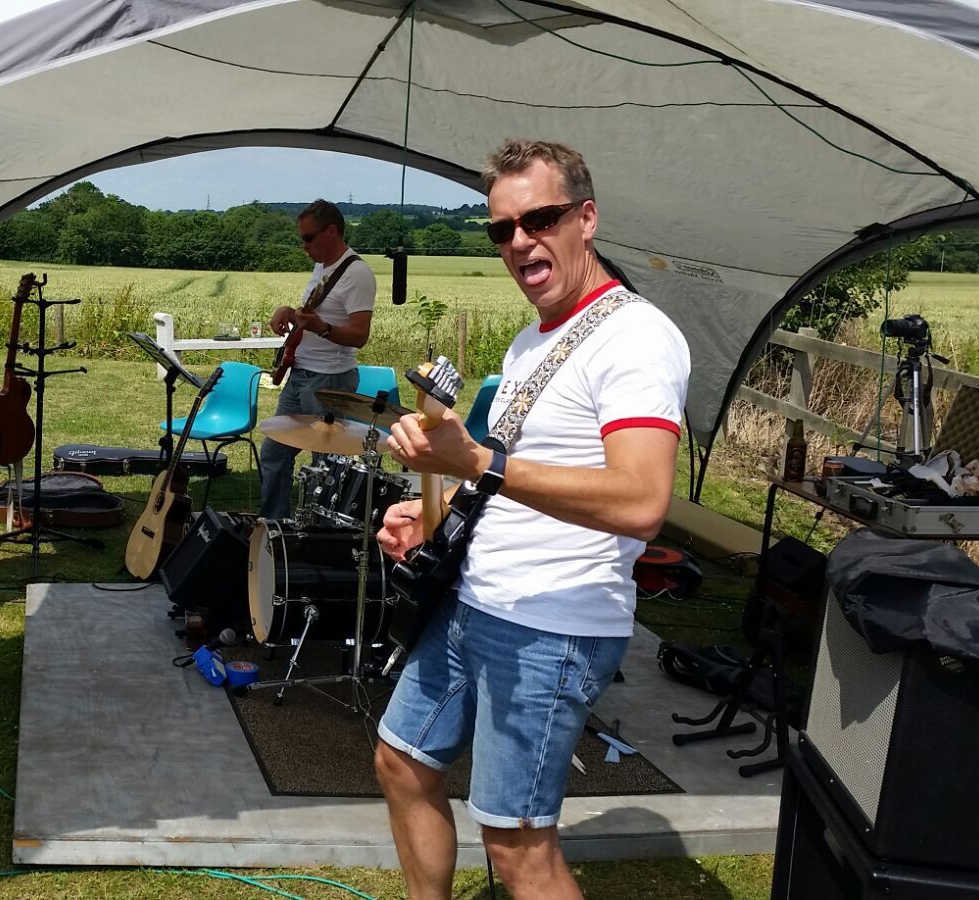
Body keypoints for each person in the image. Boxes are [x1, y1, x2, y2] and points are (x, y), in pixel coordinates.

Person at [373, 139, 690, 900]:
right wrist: (433, 512)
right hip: (475, 599)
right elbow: (514, 480)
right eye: (502, 229)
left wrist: (479, 463)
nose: (519, 241)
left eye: (540, 219)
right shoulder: (532, 341)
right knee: (402, 762)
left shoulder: (637, 337)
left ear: (587, 218)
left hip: (551, 624)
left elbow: (642, 501)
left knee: (517, 845)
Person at [258, 199, 376, 520]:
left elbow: (359, 334)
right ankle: (274, 526)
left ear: (332, 231)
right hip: (301, 375)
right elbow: (313, 313)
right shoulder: (323, 267)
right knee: (274, 453)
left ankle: (318, 530)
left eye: (308, 238)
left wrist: (321, 327)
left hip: (328, 379)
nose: (304, 246)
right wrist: (288, 311)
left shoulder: (357, 274)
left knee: (325, 466)